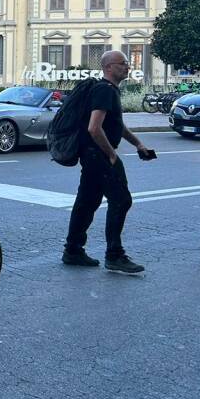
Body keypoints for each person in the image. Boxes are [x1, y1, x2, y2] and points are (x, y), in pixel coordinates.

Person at [63, 49, 152, 274]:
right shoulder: (105, 90)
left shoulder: (107, 90)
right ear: (109, 67)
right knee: (121, 200)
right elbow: (94, 127)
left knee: (86, 201)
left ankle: (73, 250)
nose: (127, 67)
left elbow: (115, 125)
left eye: (127, 63)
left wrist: (138, 144)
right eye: (122, 63)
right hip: (99, 155)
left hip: (92, 155)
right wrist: (111, 153)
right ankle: (114, 255)